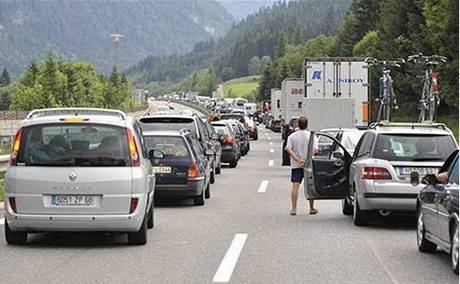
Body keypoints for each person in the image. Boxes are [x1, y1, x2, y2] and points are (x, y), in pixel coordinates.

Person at [285, 116, 318, 216]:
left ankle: (294, 208)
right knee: (310, 186)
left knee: (295, 185)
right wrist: (307, 158)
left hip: (296, 165)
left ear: (298, 124)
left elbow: (288, 149)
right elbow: (315, 149)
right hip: (309, 165)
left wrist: (297, 159)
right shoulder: (311, 136)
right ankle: (311, 208)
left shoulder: (292, 136)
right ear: (307, 125)